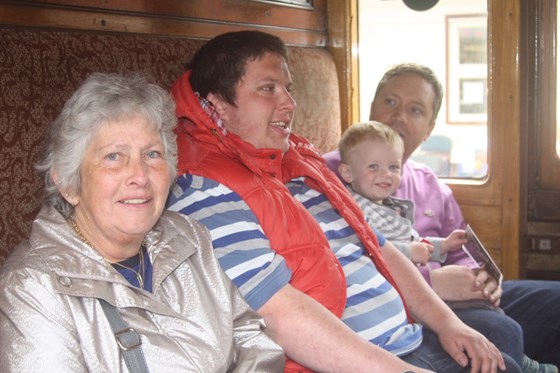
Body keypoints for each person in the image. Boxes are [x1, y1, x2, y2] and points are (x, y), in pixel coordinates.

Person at [166, 30, 522, 372]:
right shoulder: (202, 189)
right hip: (366, 361)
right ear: (218, 105)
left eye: (288, 89)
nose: (289, 103)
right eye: (268, 89)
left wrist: (447, 324)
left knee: (504, 341)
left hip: (406, 337)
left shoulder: (300, 167)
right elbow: (277, 315)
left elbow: (378, 247)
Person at [0, 73, 284, 372]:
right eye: (113, 156)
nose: (140, 175)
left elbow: (252, 339)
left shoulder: (187, 238)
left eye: (151, 154)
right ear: (68, 184)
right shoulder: (32, 289)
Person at [324, 62, 560, 369]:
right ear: (371, 108)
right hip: (397, 306)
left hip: (460, 296)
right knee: (502, 331)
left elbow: (462, 251)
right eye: (390, 102)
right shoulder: (330, 172)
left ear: (429, 129)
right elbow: (338, 260)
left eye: (416, 110)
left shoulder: (431, 185)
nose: (399, 116)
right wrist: (432, 281)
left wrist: (480, 279)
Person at [337, 120, 466, 266]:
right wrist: (409, 252)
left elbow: (410, 241)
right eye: (373, 166)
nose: (386, 174)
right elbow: (366, 248)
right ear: (348, 173)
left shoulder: (389, 206)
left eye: (393, 167)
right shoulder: (353, 209)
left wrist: (443, 245)